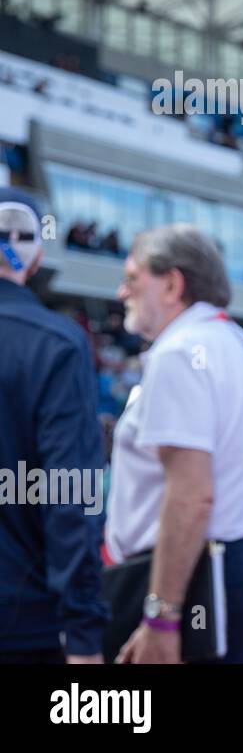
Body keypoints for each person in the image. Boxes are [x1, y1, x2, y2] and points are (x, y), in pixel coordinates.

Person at [106, 224, 243, 664]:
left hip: (185, 579)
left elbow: (192, 495)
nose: (122, 292)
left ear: (172, 283)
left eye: (133, 278)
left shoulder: (181, 351)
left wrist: (161, 617)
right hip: (231, 569)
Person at [0, 189, 108, 664]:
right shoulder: (59, 344)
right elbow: (69, 491)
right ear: (38, 256)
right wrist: (82, 630)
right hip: (23, 619)